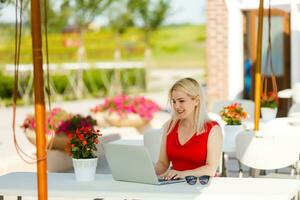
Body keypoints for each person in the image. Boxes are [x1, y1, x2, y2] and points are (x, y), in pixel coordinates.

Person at [155, 77, 223, 180]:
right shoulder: (169, 126)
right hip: (174, 185)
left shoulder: (213, 129)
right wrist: (147, 173)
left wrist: (183, 174)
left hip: (203, 186)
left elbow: (211, 169)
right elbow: (163, 163)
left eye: (181, 101)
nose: (176, 106)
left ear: (196, 101)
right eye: (173, 101)